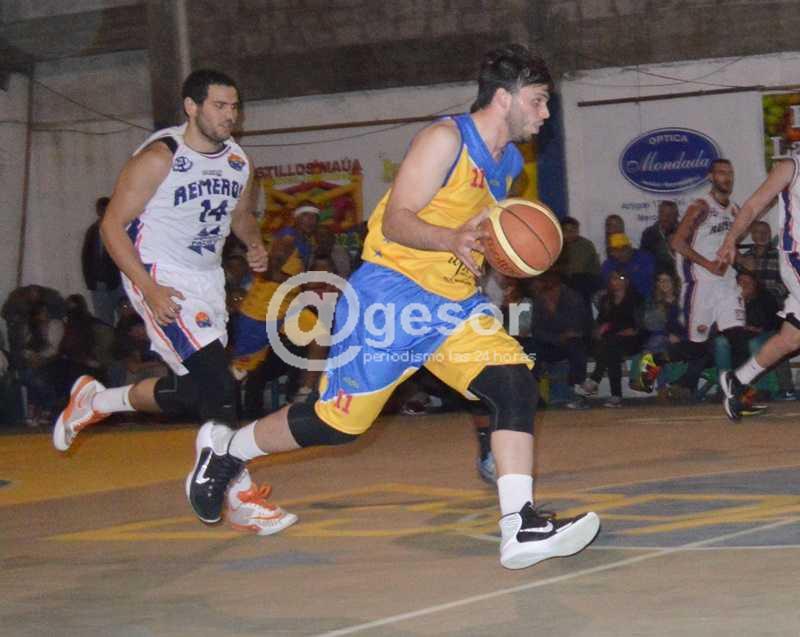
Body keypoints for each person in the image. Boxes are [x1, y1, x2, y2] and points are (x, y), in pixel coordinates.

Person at [184, 44, 600, 570]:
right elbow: (395, 221)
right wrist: (451, 239)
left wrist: (500, 263)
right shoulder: (445, 139)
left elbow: (480, 230)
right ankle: (228, 450)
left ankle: (520, 526)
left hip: (453, 303)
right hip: (392, 294)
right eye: (538, 100)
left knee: (514, 384)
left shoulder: (511, 162)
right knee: (337, 425)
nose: (545, 113)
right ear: (504, 97)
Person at [52, 69, 297, 535]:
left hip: (207, 280)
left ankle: (96, 400)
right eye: (220, 106)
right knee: (219, 384)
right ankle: (237, 493)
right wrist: (147, 287)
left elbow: (241, 216)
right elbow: (111, 227)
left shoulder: (238, 161)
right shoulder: (159, 158)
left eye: (234, 107)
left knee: (195, 391)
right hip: (161, 276)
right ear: (191, 106)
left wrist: (253, 242)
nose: (230, 115)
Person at [636, 159, 759, 405]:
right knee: (697, 348)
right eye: (721, 173)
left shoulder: (734, 210)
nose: (727, 177)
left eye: (730, 173)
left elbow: (727, 245)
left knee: (738, 339)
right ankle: (654, 360)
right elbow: (676, 243)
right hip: (700, 284)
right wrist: (708, 264)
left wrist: (742, 259)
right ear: (711, 177)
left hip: (726, 284)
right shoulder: (700, 207)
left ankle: (740, 396)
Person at [717, 155, 800, 420]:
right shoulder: (791, 167)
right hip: (796, 258)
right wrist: (731, 238)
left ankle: (737, 382)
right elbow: (753, 205)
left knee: (790, 339)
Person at [580, 270, 642, 408]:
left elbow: (637, 325)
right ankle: (615, 395)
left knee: (610, 346)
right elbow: (601, 321)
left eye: (621, 277)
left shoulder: (636, 299)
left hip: (632, 339)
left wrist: (611, 327)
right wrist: (599, 330)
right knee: (610, 348)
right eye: (614, 278)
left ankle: (595, 381)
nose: (617, 281)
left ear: (627, 280)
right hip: (611, 340)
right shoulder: (606, 300)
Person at [81, 196, 124, 326]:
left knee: (125, 317)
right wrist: (90, 280)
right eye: (100, 210)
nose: (103, 213)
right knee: (104, 320)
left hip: (118, 282)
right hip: (99, 283)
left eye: (105, 210)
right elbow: (86, 257)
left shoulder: (120, 229)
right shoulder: (93, 231)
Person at [600, 232, 655, 299]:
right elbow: (609, 286)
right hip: (618, 300)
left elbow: (647, 283)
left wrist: (624, 277)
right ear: (611, 252)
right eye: (616, 250)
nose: (620, 253)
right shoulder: (607, 265)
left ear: (630, 247)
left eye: (623, 249)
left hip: (644, 299)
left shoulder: (645, 258)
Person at [639, 200, 679, 276]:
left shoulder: (684, 232)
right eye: (662, 213)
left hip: (679, 275)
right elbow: (644, 258)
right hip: (657, 276)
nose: (666, 217)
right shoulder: (649, 233)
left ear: (676, 215)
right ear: (658, 214)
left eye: (670, 214)